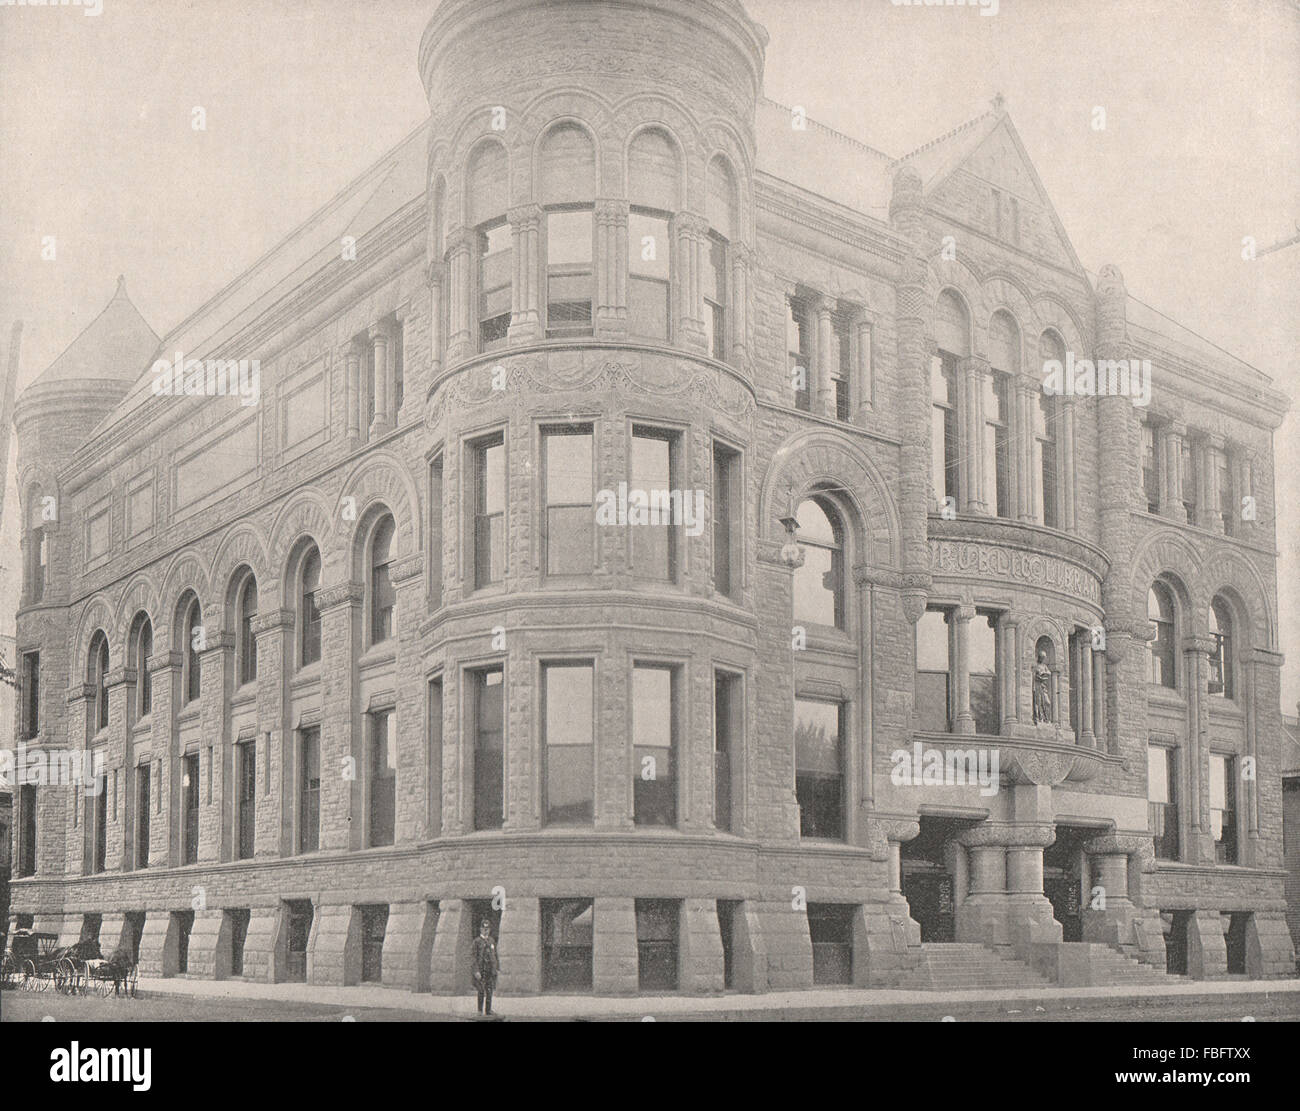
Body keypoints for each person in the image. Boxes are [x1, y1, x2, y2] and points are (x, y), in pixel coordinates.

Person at [471, 919, 500, 1016]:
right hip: (481, 970)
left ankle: (488, 1010)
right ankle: (479, 1010)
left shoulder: (491, 941)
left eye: (487, 929)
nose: (486, 930)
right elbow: (473, 957)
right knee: (481, 990)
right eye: (484, 928)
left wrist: (496, 968)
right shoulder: (476, 941)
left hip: (490, 970)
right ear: (480, 929)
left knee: (489, 990)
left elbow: (495, 955)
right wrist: (476, 971)